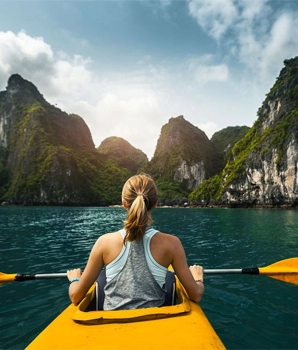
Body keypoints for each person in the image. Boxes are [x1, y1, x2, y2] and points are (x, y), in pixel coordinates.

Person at [67, 174, 204, 309]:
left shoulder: (104, 243)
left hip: (111, 326)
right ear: (155, 203)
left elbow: (75, 296)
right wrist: (197, 278)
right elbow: (196, 295)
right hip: (154, 326)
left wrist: (75, 279)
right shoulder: (172, 244)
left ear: (124, 204)